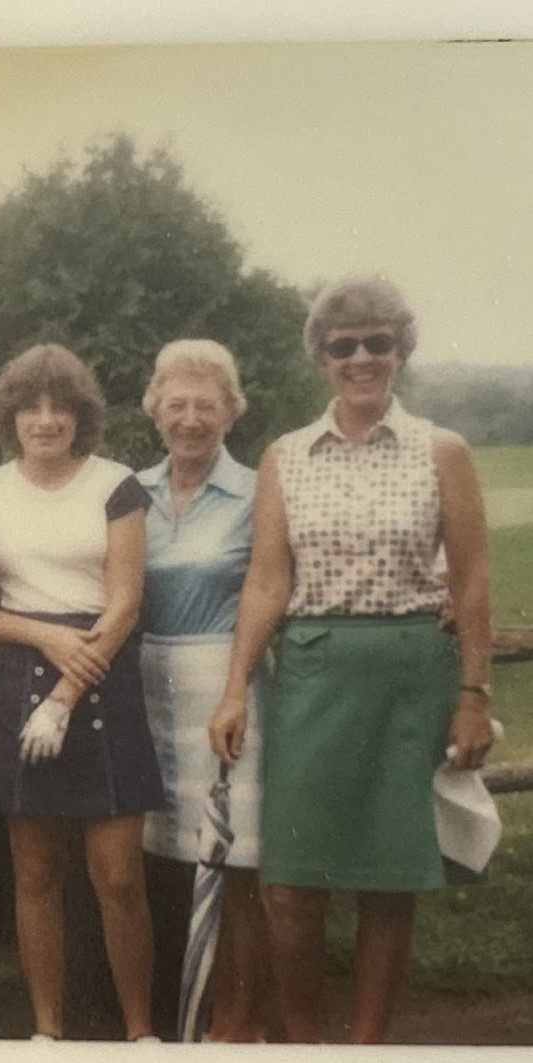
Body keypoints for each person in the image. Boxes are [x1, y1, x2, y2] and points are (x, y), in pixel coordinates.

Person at [208, 277, 495, 1043]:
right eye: (344, 346)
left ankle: (366, 1047)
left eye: (378, 342)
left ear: (400, 351)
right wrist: (234, 688)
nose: (361, 358)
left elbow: (469, 581)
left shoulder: (442, 449)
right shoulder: (286, 457)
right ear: (322, 357)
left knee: (386, 880)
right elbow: (266, 582)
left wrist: (472, 694)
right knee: (289, 885)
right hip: (312, 670)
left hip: (409, 672)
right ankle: (306, 1044)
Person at [0, 343, 163, 1042]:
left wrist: (62, 697)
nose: (46, 420)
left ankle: (140, 1034)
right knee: (35, 874)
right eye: (31, 407)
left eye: (60, 407)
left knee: (119, 878)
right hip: (20, 670)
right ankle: (45, 1034)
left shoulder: (116, 484)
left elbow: (125, 603)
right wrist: (43, 638)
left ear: (81, 416)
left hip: (101, 670)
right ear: (10, 416)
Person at [137, 339, 272, 1042]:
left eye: (206, 405)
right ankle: (183, 1021)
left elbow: (281, 583)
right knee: (169, 857)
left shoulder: (258, 492)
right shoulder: (130, 492)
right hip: (148, 686)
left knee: (236, 860)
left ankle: (235, 1027)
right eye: (177, 403)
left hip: (228, 687)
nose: (189, 419)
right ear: (154, 407)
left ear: (232, 411)